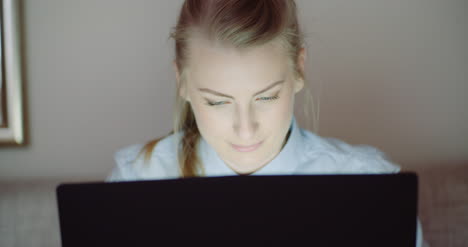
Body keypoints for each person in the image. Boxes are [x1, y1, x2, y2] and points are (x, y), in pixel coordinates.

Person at [106, 0, 427, 246]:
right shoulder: (135, 181)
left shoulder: (371, 186)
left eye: (267, 97)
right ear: (182, 82)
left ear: (299, 70)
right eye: (217, 101)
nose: (245, 129)